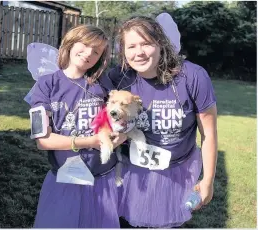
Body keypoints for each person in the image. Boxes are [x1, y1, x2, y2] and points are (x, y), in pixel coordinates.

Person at [107, 15, 218, 228]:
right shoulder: (118, 78)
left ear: (161, 44)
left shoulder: (193, 76)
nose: (138, 52)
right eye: (131, 46)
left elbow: (209, 134)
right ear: (123, 51)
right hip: (132, 173)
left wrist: (208, 180)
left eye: (146, 43)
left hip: (177, 172)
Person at [27, 24, 127, 228]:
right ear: (71, 43)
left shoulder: (103, 82)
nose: (89, 53)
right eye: (86, 44)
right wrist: (90, 141)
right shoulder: (46, 84)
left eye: (96, 51)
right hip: (65, 180)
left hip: (103, 179)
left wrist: (121, 135)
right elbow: (42, 140)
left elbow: (122, 119)